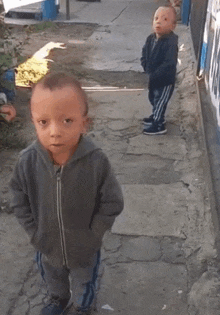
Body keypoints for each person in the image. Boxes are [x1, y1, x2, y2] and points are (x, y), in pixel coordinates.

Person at [10, 72, 124, 315]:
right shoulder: (28, 162)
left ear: (85, 122)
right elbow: (18, 199)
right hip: (46, 244)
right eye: (44, 122)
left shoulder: (96, 162)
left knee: (84, 283)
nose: (54, 132)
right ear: (33, 122)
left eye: (67, 121)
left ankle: (83, 307)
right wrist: (34, 232)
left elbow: (112, 201)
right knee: (53, 278)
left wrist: (93, 236)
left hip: (84, 248)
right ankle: (57, 300)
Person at [140, 5, 178, 135]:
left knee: (161, 100)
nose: (159, 21)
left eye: (165, 19)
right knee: (154, 98)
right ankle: (155, 115)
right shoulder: (151, 39)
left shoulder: (171, 42)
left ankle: (159, 124)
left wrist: (157, 73)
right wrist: (145, 63)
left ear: (173, 26)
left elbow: (170, 63)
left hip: (165, 80)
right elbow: (145, 52)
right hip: (154, 77)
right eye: (156, 18)